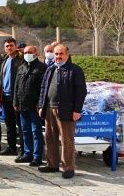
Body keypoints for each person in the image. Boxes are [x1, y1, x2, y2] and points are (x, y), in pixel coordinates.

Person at [37, 45, 87, 179]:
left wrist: (77, 110)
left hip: (66, 110)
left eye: (61, 54)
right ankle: (52, 164)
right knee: (50, 138)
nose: (58, 57)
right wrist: (42, 105)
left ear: (67, 55)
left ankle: (68, 168)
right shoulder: (50, 69)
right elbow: (43, 88)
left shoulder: (75, 70)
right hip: (49, 109)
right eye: (56, 54)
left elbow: (81, 92)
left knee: (66, 140)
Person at [13, 45, 47, 166]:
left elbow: (44, 89)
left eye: (30, 52)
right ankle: (28, 153)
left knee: (36, 132)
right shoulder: (21, 67)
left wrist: (40, 104)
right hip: (22, 106)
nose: (27, 54)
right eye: (25, 52)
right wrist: (15, 102)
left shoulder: (42, 68)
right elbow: (16, 86)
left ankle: (37, 157)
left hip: (35, 107)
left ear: (36, 53)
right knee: (25, 131)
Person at [0, 38, 25, 156]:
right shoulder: (4, 60)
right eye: (7, 46)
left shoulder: (21, 61)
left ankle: (24, 149)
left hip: (16, 98)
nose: (9, 48)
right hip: (5, 97)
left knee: (20, 124)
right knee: (9, 124)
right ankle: (11, 147)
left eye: (11, 45)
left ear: (15, 47)